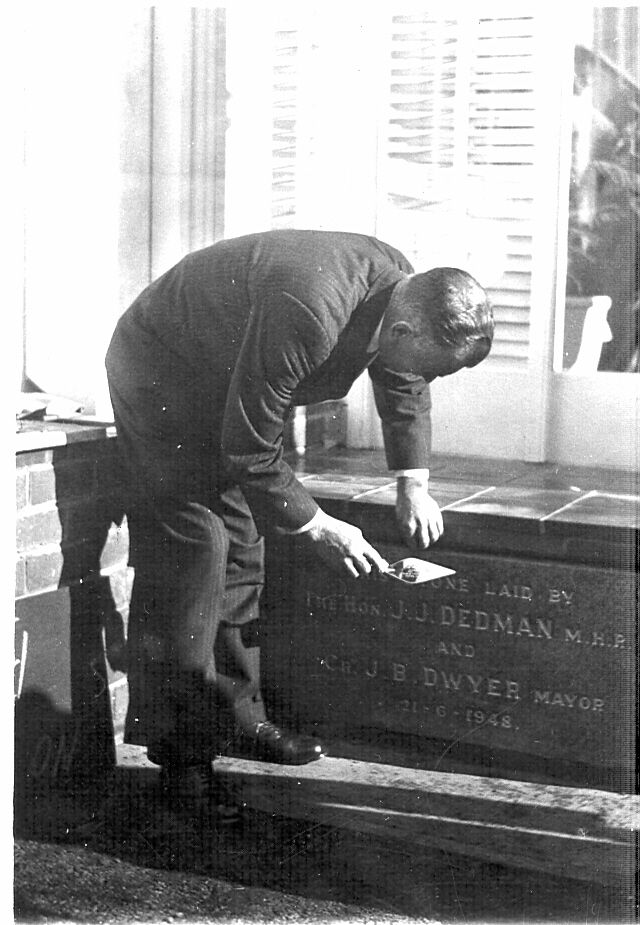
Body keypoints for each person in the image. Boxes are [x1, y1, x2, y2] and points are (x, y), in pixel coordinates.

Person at [105, 229, 493, 813]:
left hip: (227, 381)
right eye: (437, 369)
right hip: (163, 374)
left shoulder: (401, 288)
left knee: (243, 547)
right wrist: (318, 524)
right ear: (405, 331)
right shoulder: (309, 307)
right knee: (197, 548)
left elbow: (404, 379)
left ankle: (238, 720)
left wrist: (413, 484)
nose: (429, 380)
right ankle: (180, 758)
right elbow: (251, 450)